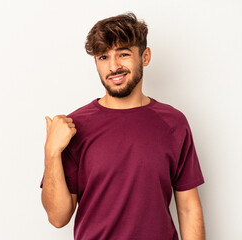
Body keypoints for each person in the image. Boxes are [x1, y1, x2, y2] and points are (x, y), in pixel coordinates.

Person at [39, 12, 205, 240]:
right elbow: (58, 218)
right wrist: (51, 152)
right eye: (103, 57)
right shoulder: (74, 126)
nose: (114, 66)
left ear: (145, 57)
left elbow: (188, 208)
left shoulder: (174, 123)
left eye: (123, 54)